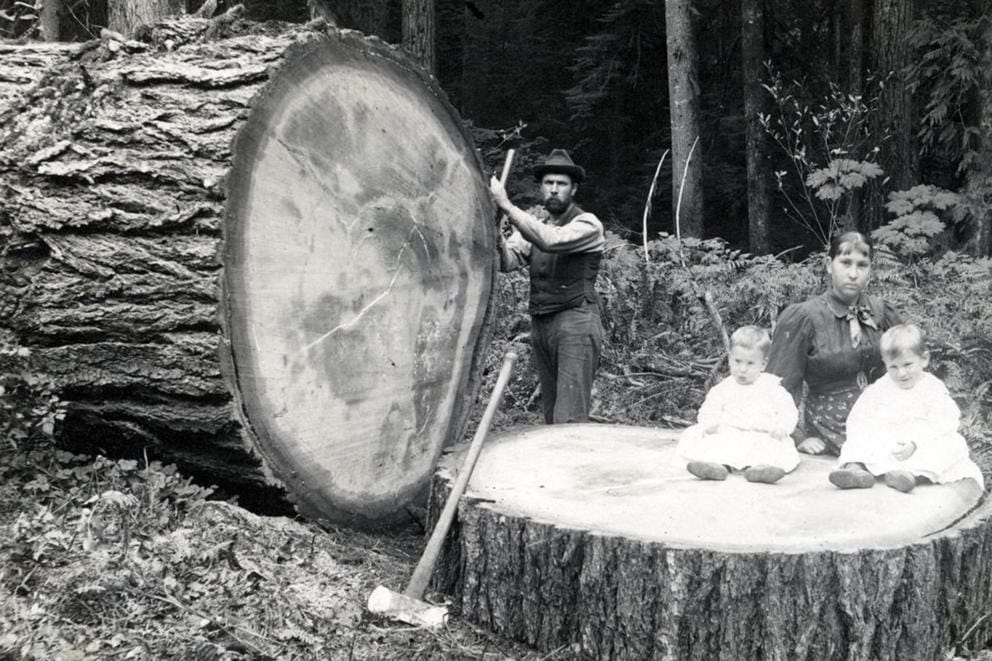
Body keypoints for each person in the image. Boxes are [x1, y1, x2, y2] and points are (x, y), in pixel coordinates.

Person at [489, 149, 605, 424]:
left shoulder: (587, 224)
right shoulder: (536, 226)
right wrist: (494, 232)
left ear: (573, 189)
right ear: (541, 187)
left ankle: (574, 466)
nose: (554, 190)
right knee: (552, 415)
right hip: (542, 325)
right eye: (548, 183)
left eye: (561, 184)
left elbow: (552, 240)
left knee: (570, 417)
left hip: (575, 324)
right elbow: (507, 261)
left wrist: (507, 206)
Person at [766, 231, 902, 456]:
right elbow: (779, 384)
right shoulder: (805, 317)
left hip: (880, 410)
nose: (853, 273)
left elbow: (907, 364)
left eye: (862, 265)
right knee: (879, 451)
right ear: (829, 265)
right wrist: (797, 435)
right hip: (832, 419)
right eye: (845, 263)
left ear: (870, 269)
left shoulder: (880, 311)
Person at [828, 324, 985, 491]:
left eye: (908, 365)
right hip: (887, 442)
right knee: (856, 442)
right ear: (885, 364)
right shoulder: (881, 387)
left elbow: (945, 420)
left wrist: (915, 442)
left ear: (924, 359)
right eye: (893, 367)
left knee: (953, 444)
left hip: (920, 442)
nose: (901, 373)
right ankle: (855, 469)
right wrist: (873, 435)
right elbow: (860, 417)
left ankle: (910, 475)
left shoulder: (932, 388)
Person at [677, 326, 800, 484]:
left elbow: (788, 411)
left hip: (762, 435)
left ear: (763, 364)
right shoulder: (723, 388)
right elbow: (709, 408)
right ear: (729, 359)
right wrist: (710, 423)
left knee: (771, 449)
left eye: (750, 363)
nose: (742, 369)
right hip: (729, 432)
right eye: (737, 361)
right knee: (714, 444)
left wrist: (782, 428)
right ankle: (716, 467)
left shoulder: (772, 388)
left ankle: (761, 470)